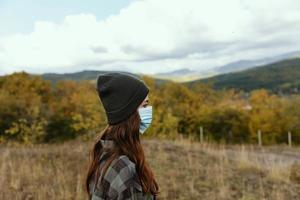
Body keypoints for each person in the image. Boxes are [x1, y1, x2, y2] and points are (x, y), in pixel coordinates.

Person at [85, 72, 159, 200]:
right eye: (145, 105)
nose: (149, 110)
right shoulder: (125, 169)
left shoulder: (104, 152)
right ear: (129, 113)